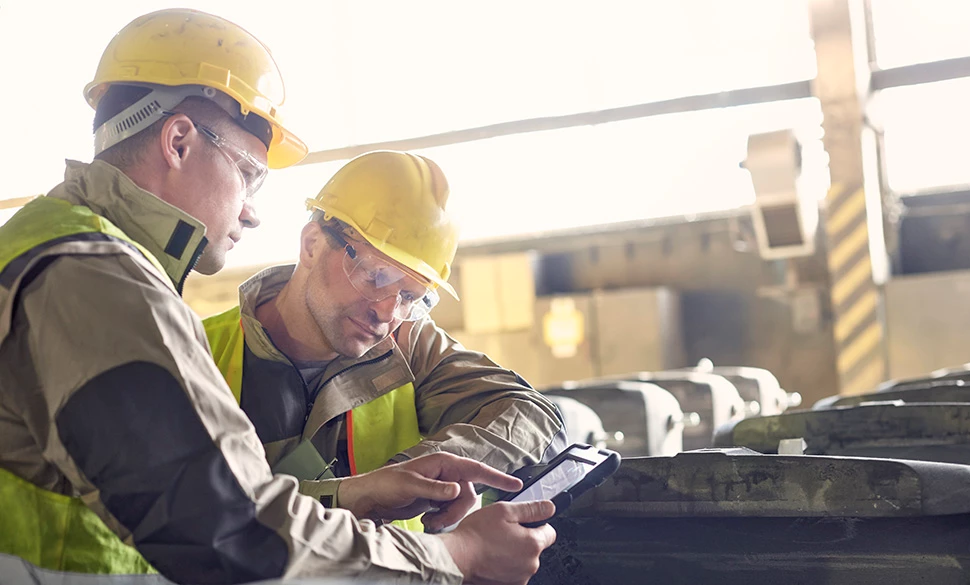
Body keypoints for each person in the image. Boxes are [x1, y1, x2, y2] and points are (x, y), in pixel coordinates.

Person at [0, 9, 555, 584]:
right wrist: (455, 557)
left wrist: (357, 494)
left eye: (412, 296)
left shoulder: (53, 251)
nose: (250, 210)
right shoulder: (96, 279)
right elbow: (232, 530)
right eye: (247, 174)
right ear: (179, 141)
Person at [203, 150, 565, 531]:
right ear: (312, 244)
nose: (388, 312)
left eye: (411, 297)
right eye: (377, 277)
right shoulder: (198, 351)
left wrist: (424, 467)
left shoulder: (409, 346)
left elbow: (530, 413)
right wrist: (357, 493)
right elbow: (194, 515)